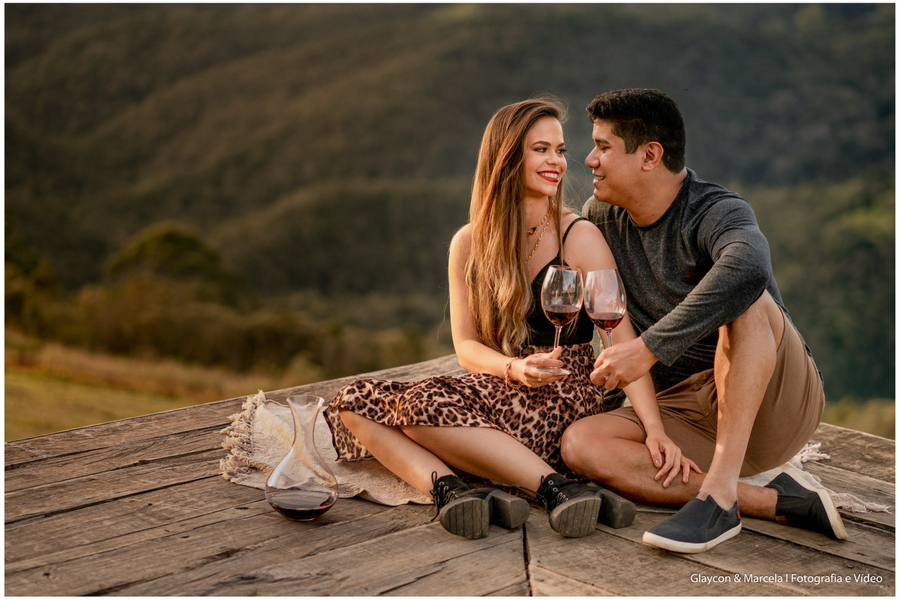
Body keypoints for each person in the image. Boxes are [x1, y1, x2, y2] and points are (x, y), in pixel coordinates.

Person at [324, 97, 648, 540]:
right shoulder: (469, 243)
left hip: (561, 395)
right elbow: (467, 348)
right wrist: (512, 368)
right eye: (541, 149)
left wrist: (656, 432)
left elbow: (623, 342)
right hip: (499, 386)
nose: (556, 161)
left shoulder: (579, 235)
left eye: (560, 150)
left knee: (419, 405)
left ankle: (554, 488)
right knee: (351, 403)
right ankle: (453, 492)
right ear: (507, 156)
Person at [560, 88, 847, 553]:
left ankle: (716, 500)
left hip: (773, 403)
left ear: (650, 155)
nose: (589, 159)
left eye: (604, 146)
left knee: (746, 298)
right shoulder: (602, 219)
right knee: (581, 444)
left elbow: (751, 268)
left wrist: (650, 347)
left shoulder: (717, 210)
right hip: (687, 412)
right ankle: (768, 501)